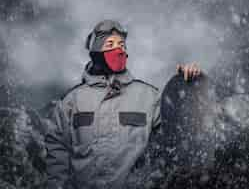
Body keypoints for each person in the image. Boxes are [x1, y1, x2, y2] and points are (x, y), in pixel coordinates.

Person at [45, 20, 201, 189]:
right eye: (110, 44)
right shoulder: (72, 100)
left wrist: (186, 88)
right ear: (96, 52)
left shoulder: (148, 96)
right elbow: (57, 149)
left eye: (122, 45)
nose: (118, 49)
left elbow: (175, 135)